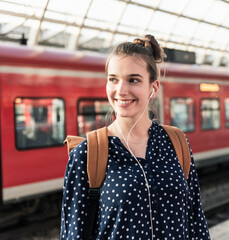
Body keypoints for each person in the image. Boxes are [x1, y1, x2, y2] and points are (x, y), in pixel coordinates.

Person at [60, 34, 211, 239]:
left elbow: (196, 223)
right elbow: (74, 234)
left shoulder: (176, 143)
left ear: (153, 88)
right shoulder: (87, 154)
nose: (121, 90)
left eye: (133, 80)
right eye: (113, 79)